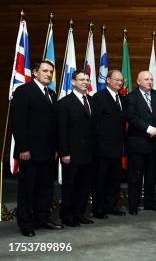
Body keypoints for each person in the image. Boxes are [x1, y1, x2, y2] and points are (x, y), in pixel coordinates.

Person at [11, 60, 62, 236]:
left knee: (45, 187)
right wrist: (23, 149)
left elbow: (54, 125)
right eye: (45, 71)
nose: (48, 74)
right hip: (30, 152)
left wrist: (56, 148)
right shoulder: (24, 91)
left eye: (50, 72)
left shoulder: (52, 94)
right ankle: (25, 223)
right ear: (35, 72)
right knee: (27, 189)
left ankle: (42, 218)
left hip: (48, 152)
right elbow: (18, 123)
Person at [125, 70, 156, 215]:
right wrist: (148, 129)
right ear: (138, 82)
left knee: (152, 176)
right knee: (135, 177)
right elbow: (131, 117)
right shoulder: (131, 97)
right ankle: (133, 205)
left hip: (155, 143)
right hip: (138, 143)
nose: (150, 82)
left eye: (151, 79)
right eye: (146, 79)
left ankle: (150, 202)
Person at [57, 71, 96, 227]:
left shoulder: (92, 101)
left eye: (87, 80)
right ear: (73, 82)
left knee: (84, 186)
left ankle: (80, 213)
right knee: (70, 186)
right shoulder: (65, 103)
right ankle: (67, 216)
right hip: (71, 154)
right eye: (81, 80)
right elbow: (61, 130)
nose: (85, 82)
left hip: (89, 153)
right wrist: (64, 153)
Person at [92, 70, 127, 219]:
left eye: (121, 81)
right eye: (116, 80)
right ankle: (99, 209)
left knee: (114, 180)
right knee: (101, 180)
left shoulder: (121, 98)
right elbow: (95, 124)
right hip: (102, 148)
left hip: (117, 148)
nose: (119, 83)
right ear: (107, 80)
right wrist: (98, 146)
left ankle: (112, 206)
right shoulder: (99, 97)